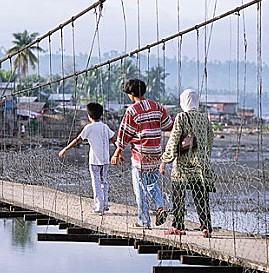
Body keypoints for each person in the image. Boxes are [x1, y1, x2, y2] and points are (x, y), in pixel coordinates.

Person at [112, 78, 173, 229]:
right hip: (156, 155)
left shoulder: (132, 110)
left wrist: (117, 152)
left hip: (141, 156)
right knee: (152, 183)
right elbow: (168, 125)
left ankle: (144, 221)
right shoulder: (157, 106)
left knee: (140, 189)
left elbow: (124, 133)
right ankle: (159, 208)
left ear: (131, 95)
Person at [160, 89, 215, 238]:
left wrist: (165, 160)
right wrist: (204, 157)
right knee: (201, 198)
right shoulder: (204, 119)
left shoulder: (181, 117)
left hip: (182, 166)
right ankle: (206, 228)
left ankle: (178, 226)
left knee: (178, 196)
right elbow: (210, 139)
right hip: (200, 166)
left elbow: (174, 140)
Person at [59, 103, 116, 215]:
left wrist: (65, 149)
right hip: (105, 159)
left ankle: (99, 207)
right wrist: (119, 153)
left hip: (94, 160)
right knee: (104, 181)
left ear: (89, 115)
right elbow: (114, 140)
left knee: (96, 182)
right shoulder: (105, 126)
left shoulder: (88, 128)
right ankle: (105, 203)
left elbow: (77, 140)